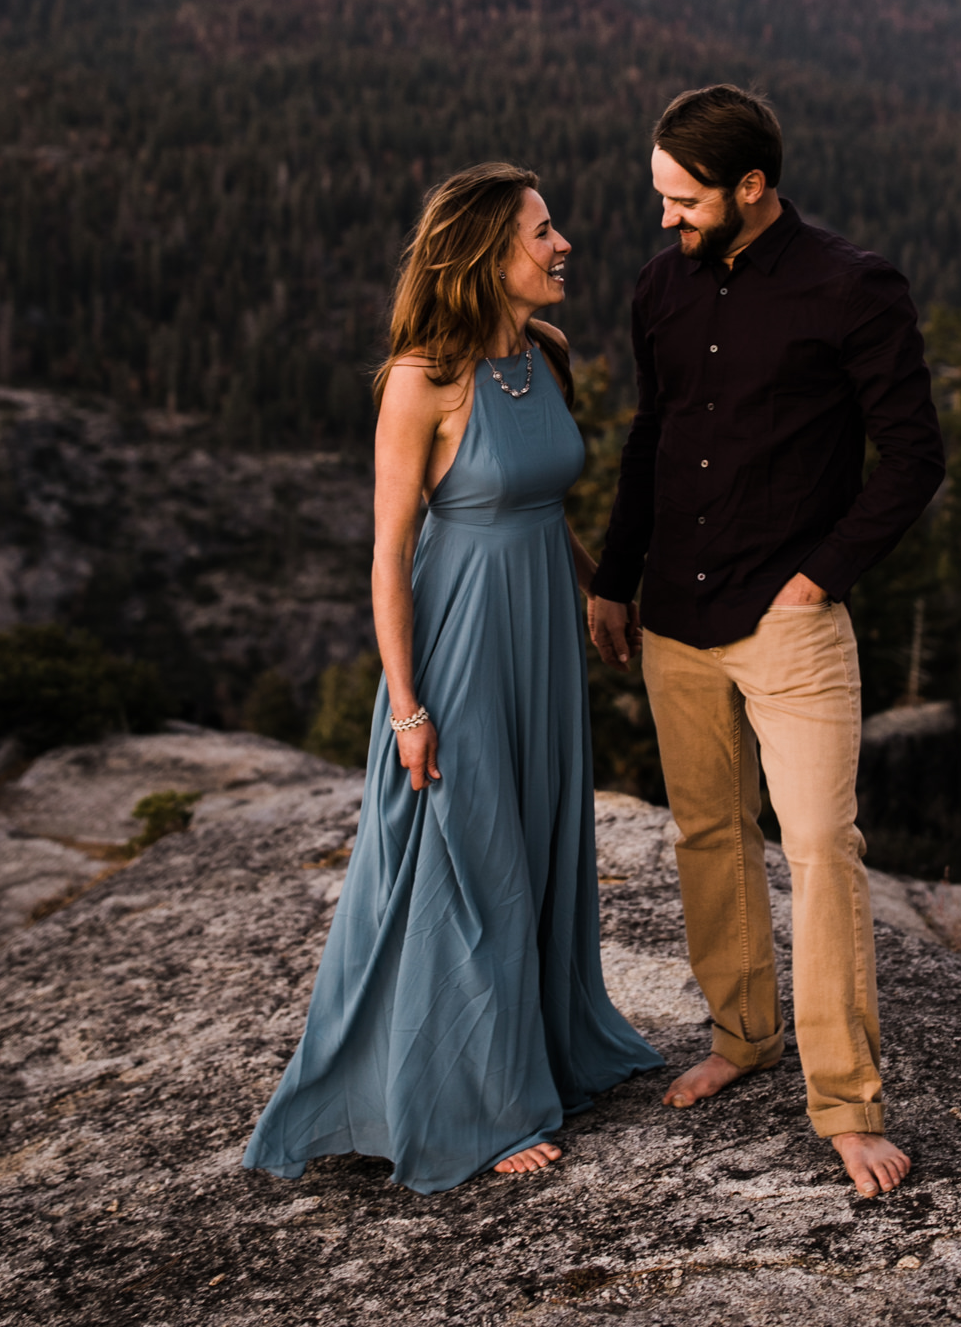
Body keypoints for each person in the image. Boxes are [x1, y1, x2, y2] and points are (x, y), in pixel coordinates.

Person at [244, 162, 661, 1194]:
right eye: (542, 230)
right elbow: (388, 553)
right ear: (486, 254)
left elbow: (536, 504)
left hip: (542, 639)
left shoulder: (546, 352)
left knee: (539, 837)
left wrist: (600, 590)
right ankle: (472, 1099)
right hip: (460, 641)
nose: (562, 243)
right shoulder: (418, 378)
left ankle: (544, 1049)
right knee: (472, 862)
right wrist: (408, 706)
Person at [588, 86, 945, 1200]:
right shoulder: (660, 283)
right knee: (705, 831)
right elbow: (653, 433)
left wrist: (815, 578)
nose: (664, 219)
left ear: (751, 187)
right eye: (659, 197)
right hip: (675, 619)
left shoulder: (851, 284)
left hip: (788, 624)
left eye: (682, 199)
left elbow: (914, 455)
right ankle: (742, 1035)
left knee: (821, 847)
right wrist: (611, 577)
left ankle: (845, 1100)